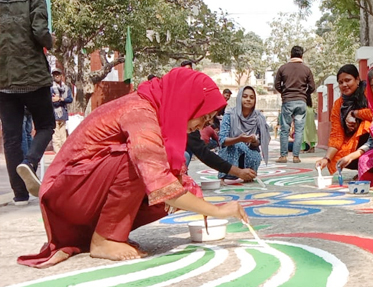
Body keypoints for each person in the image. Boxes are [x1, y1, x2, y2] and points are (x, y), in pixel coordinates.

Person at [17, 68, 249, 268]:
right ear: (187, 103)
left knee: (182, 185)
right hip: (66, 192)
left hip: (81, 191)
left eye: (208, 122)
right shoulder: (140, 112)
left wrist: (198, 201)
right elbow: (155, 176)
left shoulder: (156, 112)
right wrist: (217, 210)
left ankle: (104, 232)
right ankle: (104, 239)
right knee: (141, 163)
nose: (201, 126)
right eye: (203, 118)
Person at [0, 0, 56, 204]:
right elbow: (40, 32)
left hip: (3, 80)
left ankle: (20, 194)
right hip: (32, 76)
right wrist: (52, 41)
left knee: (11, 136)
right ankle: (30, 161)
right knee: (46, 125)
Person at [315, 64, 373, 174]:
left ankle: (372, 171)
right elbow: (336, 135)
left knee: (366, 125)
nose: (344, 85)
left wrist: (355, 113)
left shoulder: (368, 93)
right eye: (341, 82)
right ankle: (362, 170)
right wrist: (326, 159)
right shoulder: (339, 104)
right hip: (353, 142)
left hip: (372, 140)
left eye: (348, 80)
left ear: (357, 79)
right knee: (336, 157)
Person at [217, 86, 270, 179]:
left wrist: (253, 141)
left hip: (249, 152)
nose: (248, 99)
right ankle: (227, 175)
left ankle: (248, 174)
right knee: (238, 145)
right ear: (239, 98)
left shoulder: (258, 117)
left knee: (255, 155)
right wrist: (239, 139)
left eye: (251, 97)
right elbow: (222, 140)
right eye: (245, 96)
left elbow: (259, 143)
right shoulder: (229, 115)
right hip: (230, 151)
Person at [274, 45, 315, 163]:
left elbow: (277, 85)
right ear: (302, 55)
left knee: (284, 129)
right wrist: (303, 94)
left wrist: (285, 92)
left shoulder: (283, 68)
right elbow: (312, 87)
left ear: (290, 55)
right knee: (299, 130)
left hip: (287, 101)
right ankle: (296, 157)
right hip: (301, 102)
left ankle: (283, 156)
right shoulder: (306, 70)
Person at [51, 69, 73, 153]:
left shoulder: (66, 88)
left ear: (61, 76)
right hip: (54, 114)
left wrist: (60, 99)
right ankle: (57, 156)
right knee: (56, 138)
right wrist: (56, 100)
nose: (57, 76)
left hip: (63, 114)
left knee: (63, 137)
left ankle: (63, 155)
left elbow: (70, 99)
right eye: (55, 74)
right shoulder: (51, 88)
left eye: (58, 74)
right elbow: (50, 100)